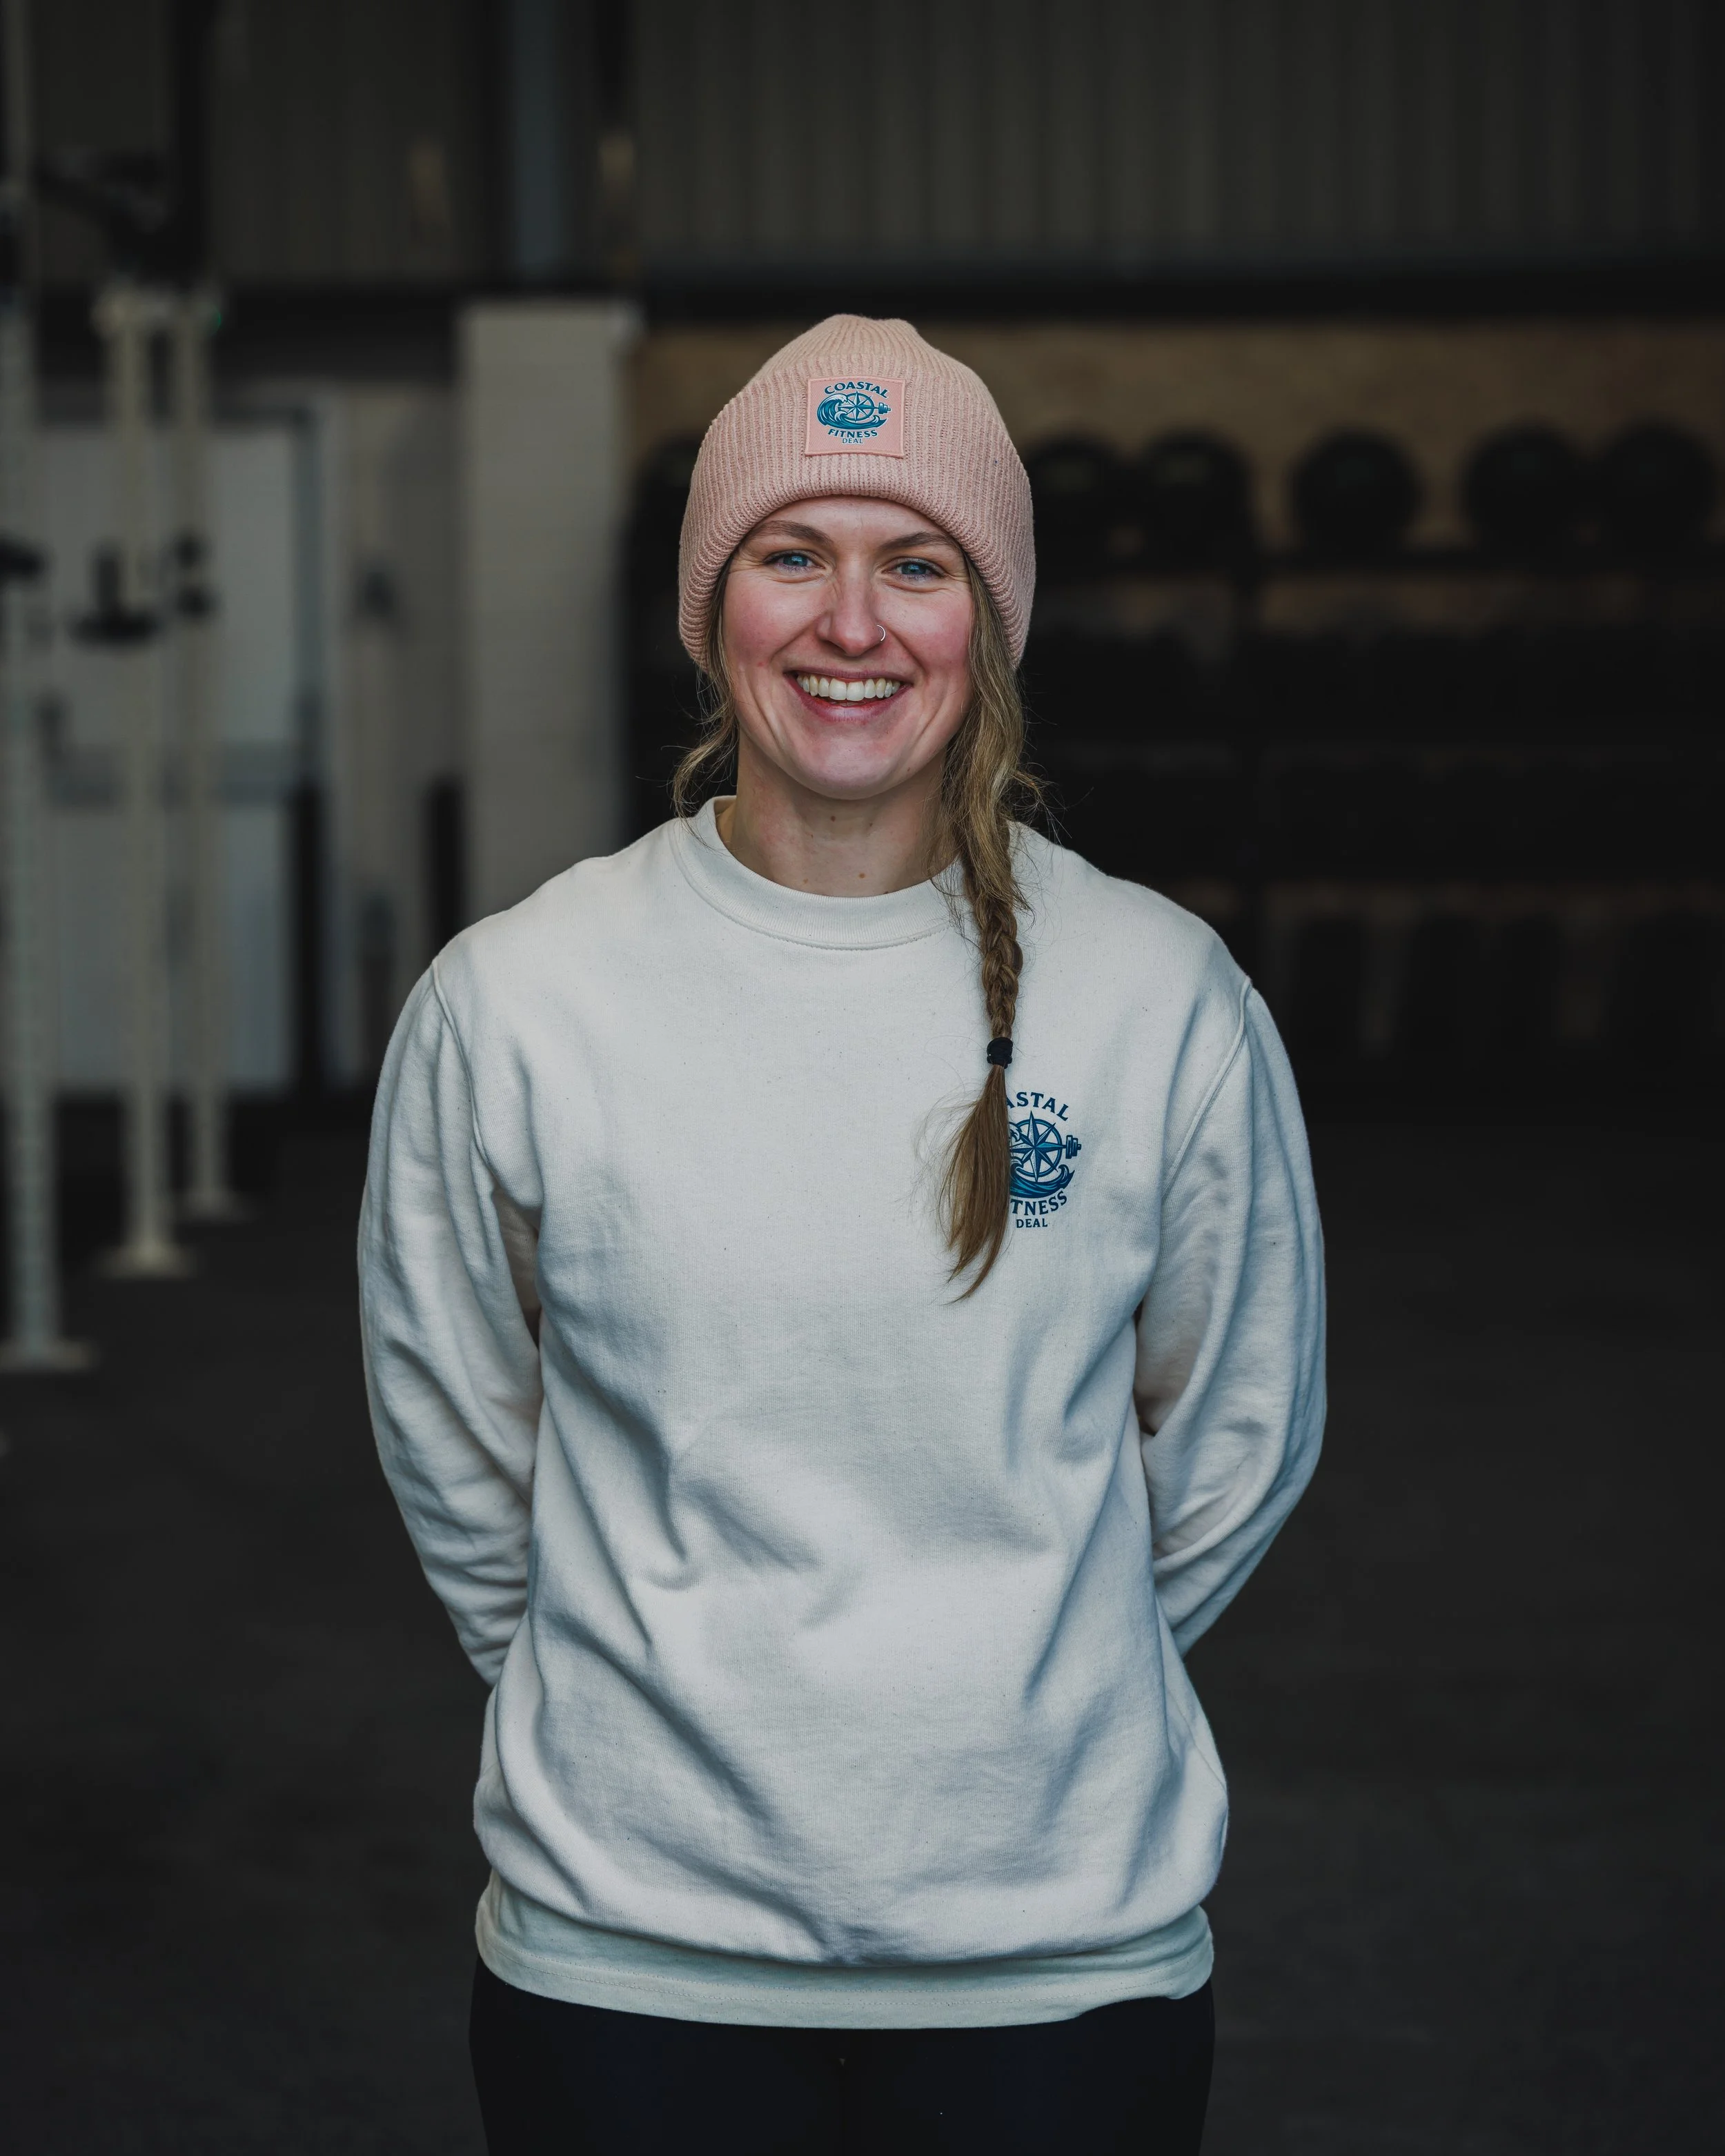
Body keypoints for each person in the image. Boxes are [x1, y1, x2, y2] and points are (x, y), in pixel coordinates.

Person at [359, 315, 1325, 2155]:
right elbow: (454, 1429)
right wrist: (634, 1700)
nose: (853, 623)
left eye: (919, 563)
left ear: (992, 617)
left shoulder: (1158, 997)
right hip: (634, 1959)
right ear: (710, 607)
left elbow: (1237, 1429)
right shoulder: (522, 1000)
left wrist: (1033, 1687)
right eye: (792, 553)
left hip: (1057, 1964)